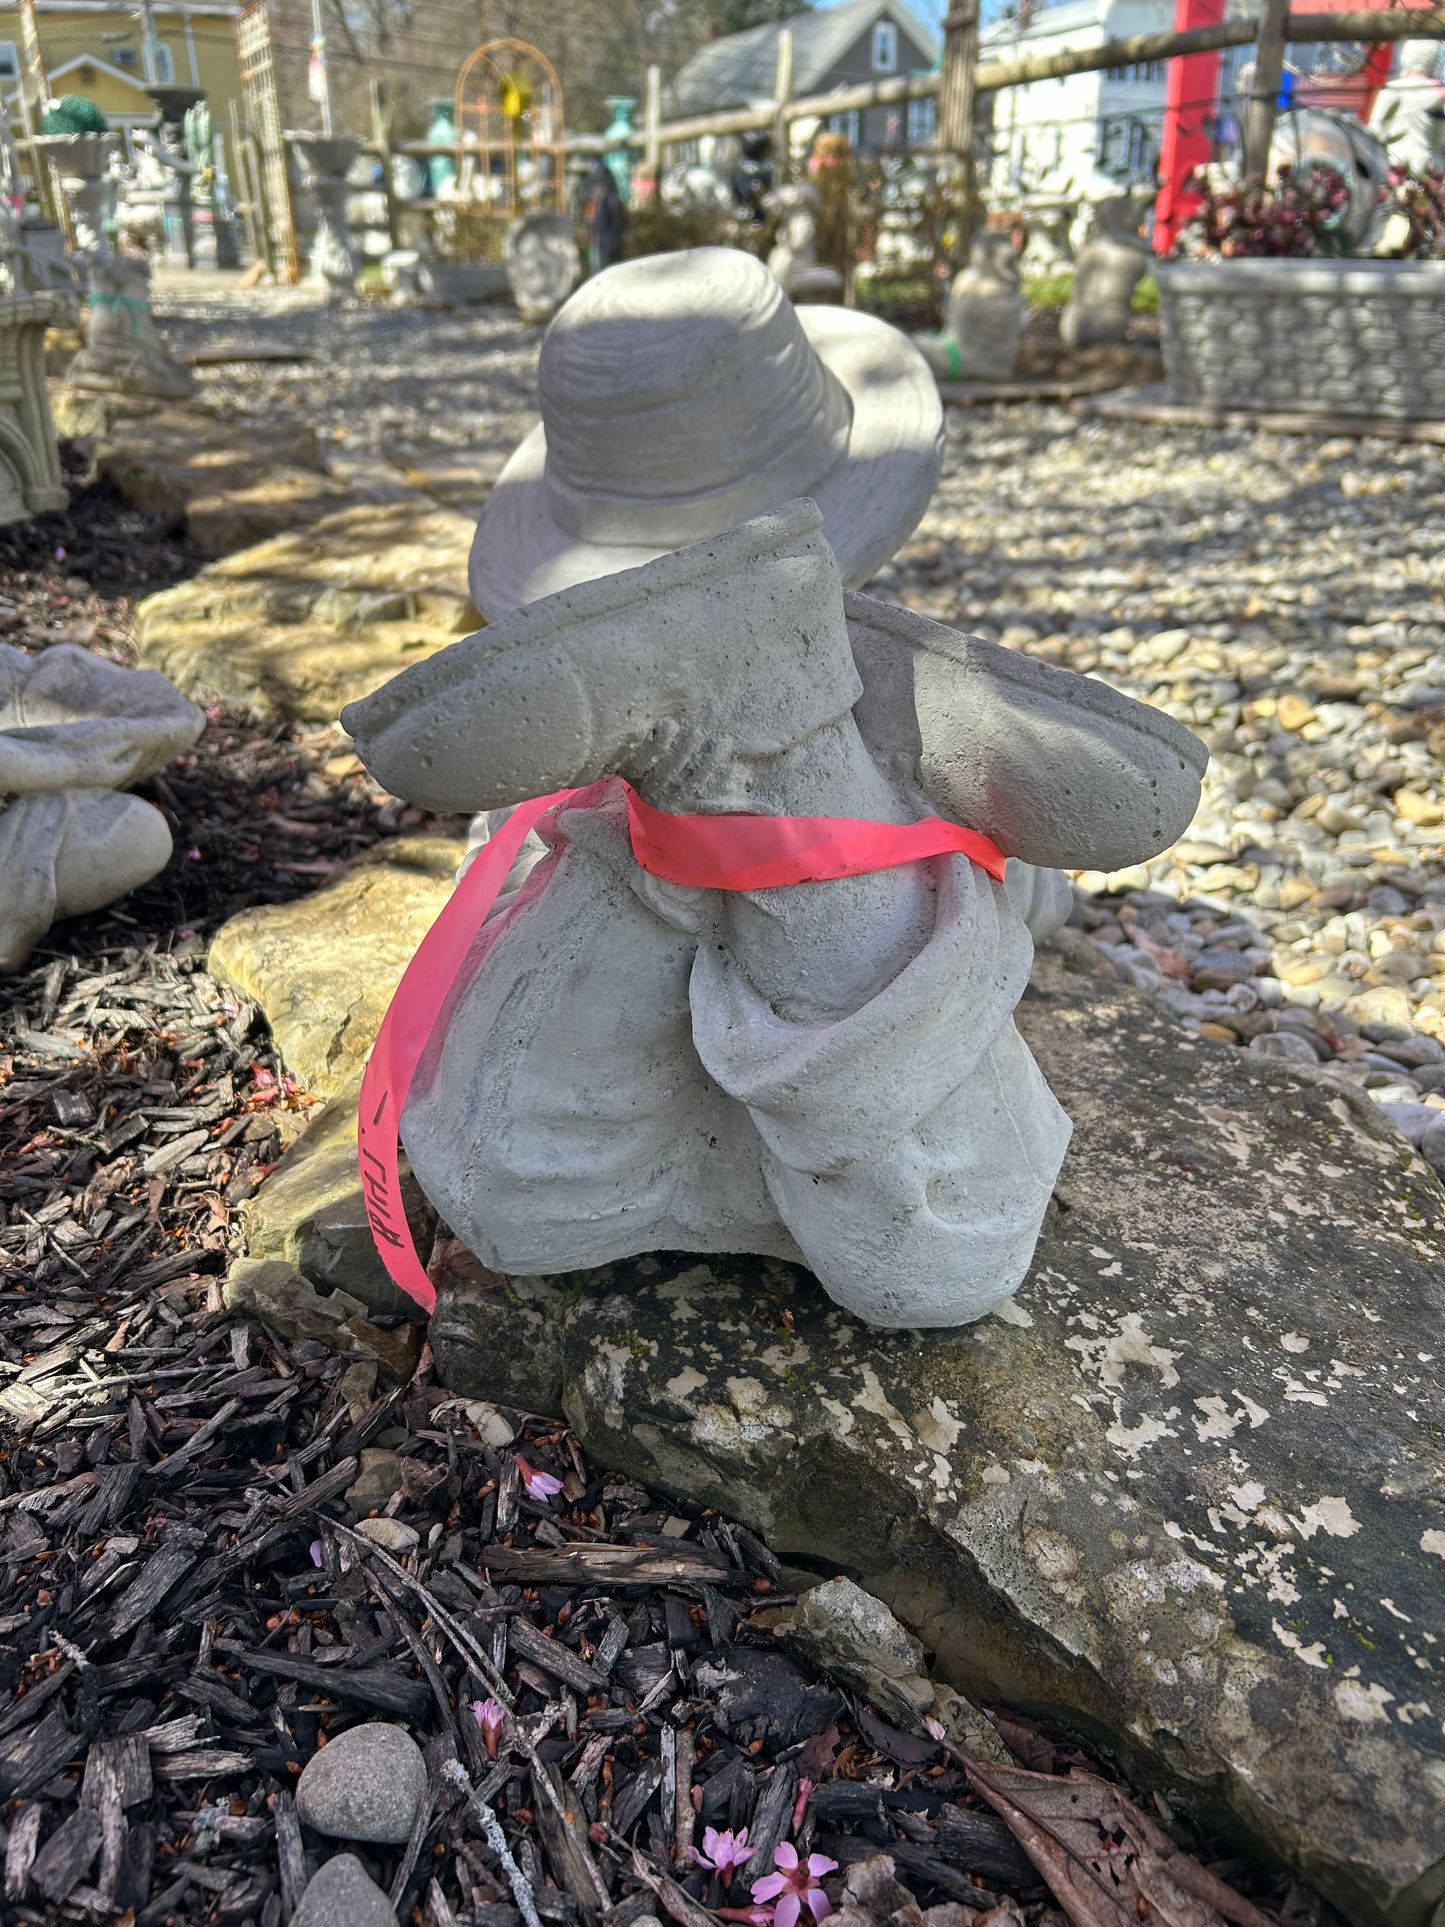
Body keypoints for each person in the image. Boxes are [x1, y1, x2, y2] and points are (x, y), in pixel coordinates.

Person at [1368, 41, 1445, 177]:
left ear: (1406, 57)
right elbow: (1440, 140)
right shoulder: (1440, 94)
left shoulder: (1392, 90)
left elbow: (1374, 132)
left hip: (1396, 164)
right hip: (1430, 166)